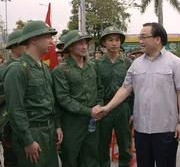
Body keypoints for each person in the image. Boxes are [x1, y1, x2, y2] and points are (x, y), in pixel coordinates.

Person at [98, 22, 180, 167]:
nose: (140, 41)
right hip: (141, 130)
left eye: (144, 37)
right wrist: (107, 108)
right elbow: (125, 89)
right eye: (140, 37)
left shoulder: (175, 63)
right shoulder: (136, 64)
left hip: (165, 129)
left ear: (157, 39)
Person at [3, 20, 62, 167]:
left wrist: (57, 126)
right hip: (31, 132)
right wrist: (27, 140)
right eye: (47, 37)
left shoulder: (44, 68)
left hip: (48, 130)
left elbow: (51, 101)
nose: (51, 40)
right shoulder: (17, 70)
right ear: (34, 39)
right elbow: (15, 110)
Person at [52, 30, 102, 167]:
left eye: (85, 43)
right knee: (70, 160)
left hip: (92, 122)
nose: (84, 46)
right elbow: (63, 99)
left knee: (91, 159)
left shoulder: (92, 67)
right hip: (71, 123)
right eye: (79, 43)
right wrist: (89, 111)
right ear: (70, 47)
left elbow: (100, 90)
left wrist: (99, 107)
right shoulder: (61, 70)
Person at [97, 26, 134, 167]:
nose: (114, 43)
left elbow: (134, 89)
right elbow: (95, 88)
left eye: (117, 40)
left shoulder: (127, 63)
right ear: (104, 43)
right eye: (110, 40)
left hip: (123, 108)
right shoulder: (97, 64)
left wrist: (133, 111)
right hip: (103, 109)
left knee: (125, 144)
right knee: (102, 145)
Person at [0, 30, 26, 167]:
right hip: (8, 124)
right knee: (12, 160)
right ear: (14, 48)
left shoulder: (27, 66)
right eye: (23, 44)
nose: (27, 46)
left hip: (26, 123)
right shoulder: (4, 69)